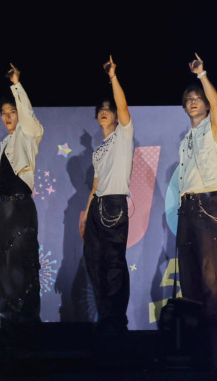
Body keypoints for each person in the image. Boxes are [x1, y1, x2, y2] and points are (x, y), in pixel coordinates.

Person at [80, 55, 135, 332]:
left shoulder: (123, 135)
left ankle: (116, 321)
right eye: (100, 109)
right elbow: (95, 184)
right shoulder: (98, 149)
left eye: (108, 109)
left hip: (114, 204)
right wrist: (86, 212)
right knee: (94, 262)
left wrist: (113, 76)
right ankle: (105, 317)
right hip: (97, 206)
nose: (104, 111)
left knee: (113, 263)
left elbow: (122, 106)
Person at [177, 53, 217, 330]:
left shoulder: (214, 130)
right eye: (188, 99)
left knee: (209, 271)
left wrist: (201, 74)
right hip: (186, 206)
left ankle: (213, 331)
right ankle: (193, 330)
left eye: (198, 98)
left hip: (206, 205)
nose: (193, 101)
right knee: (188, 272)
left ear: (206, 105)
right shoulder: (185, 139)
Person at [0, 63, 44, 323]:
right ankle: (10, 319)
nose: (7, 116)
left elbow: (27, 114)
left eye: (12, 112)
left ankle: (28, 320)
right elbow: (1, 185)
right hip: (5, 211)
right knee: (4, 264)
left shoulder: (29, 134)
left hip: (21, 209)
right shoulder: (5, 145)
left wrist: (16, 84)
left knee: (22, 262)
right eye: (4, 113)